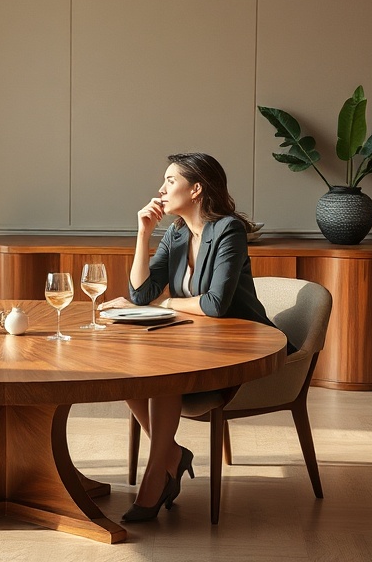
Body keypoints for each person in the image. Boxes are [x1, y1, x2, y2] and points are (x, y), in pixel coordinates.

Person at [106, 152, 279, 523]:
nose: (161, 189)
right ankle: (171, 457)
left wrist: (169, 302)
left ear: (196, 188)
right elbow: (139, 295)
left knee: (163, 375)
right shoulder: (177, 232)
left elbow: (216, 305)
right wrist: (143, 233)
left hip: (238, 353)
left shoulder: (228, 230)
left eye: (170, 181)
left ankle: (157, 477)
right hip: (198, 343)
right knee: (127, 376)